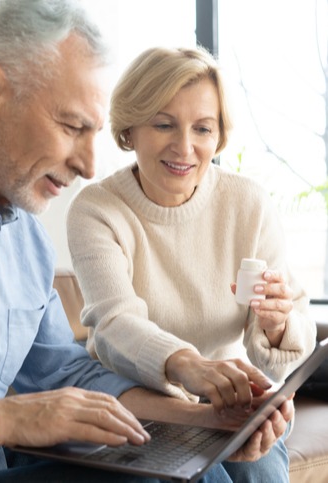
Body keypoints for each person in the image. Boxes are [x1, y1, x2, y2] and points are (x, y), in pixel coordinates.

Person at [0, 2, 292, 481]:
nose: (89, 166)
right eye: (72, 127)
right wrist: (5, 418)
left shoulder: (24, 239)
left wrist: (205, 420)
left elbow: (67, 375)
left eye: (94, 133)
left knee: (198, 467)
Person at [67, 46, 317, 482]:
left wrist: (277, 327)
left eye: (202, 128)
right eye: (164, 124)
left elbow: (286, 348)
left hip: (234, 398)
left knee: (259, 469)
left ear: (218, 136)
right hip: (144, 404)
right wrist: (191, 367)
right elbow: (115, 324)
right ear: (130, 130)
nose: (184, 147)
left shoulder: (248, 204)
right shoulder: (97, 210)